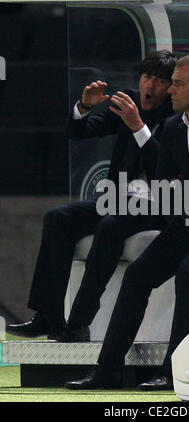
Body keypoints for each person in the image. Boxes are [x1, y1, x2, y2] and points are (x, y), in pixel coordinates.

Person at [64, 54, 189, 391]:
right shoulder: (174, 126)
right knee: (136, 277)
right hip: (185, 221)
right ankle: (108, 370)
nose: (170, 89)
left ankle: (176, 371)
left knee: (188, 276)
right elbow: (165, 183)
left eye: (178, 82)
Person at [7, 50, 177, 341]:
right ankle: (48, 316)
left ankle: (78, 323)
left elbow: (163, 166)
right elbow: (78, 131)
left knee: (110, 225)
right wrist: (84, 107)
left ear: (171, 86)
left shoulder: (177, 114)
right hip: (120, 197)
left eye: (160, 80)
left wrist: (138, 126)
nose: (150, 86)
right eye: (147, 77)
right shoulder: (129, 100)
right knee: (59, 217)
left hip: (161, 202)